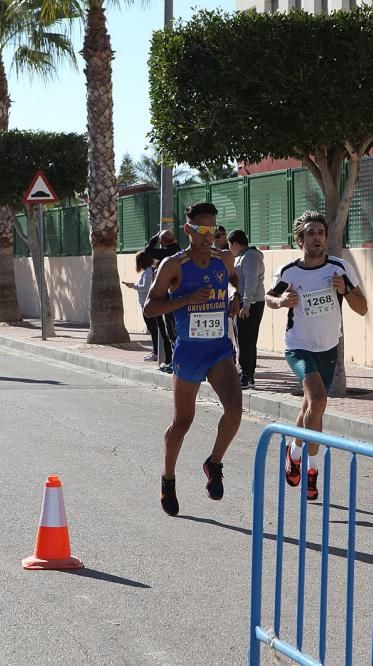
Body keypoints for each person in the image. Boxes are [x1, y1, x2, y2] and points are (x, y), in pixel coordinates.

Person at [144, 202, 242, 516]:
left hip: (219, 349)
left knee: (235, 411)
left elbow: (234, 279)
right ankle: (168, 478)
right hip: (188, 351)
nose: (207, 235)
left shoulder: (224, 258)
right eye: (201, 229)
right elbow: (150, 308)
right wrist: (185, 299)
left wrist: (236, 297)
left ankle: (214, 462)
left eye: (212, 230)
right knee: (182, 422)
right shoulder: (174, 265)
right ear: (188, 230)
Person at [266, 211, 368, 501]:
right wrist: (281, 301)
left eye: (321, 232)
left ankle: (294, 452)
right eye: (310, 233)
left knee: (311, 407)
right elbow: (269, 298)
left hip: (327, 347)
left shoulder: (339, 267)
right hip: (298, 346)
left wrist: (345, 289)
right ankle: (313, 470)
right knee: (319, 400)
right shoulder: (289, 271)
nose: (317, 237)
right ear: (301, 239)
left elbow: (362, 308)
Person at [228, 229, 266, 389]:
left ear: (235, 243)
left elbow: (250, 281)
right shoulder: (242, 257)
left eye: (230, 245)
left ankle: (247, 376)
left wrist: (246, 304)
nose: (230, 249)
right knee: (242, 339)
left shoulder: (250, 256)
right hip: (243, 303)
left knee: (246, 340)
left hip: (251, 304)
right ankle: (245, 372)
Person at [144, 229, 181, 373]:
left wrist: (154, 236)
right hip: (175, 298)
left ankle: (174, 362)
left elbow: (147, 251)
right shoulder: (178, 251)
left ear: (162, 242)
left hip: (167, 299)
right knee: (170, 333)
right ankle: (171, 361)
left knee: (172, 333)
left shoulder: (166, 254)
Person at [122, 251, 161, 361]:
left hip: (147, 305)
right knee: (153, 329)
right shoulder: (148, 271)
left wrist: (133, 286)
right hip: (147, 304)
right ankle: (155, 352)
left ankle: (156, 353)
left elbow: (145, 287)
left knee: (153, 329)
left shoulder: (148, 272)